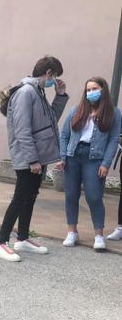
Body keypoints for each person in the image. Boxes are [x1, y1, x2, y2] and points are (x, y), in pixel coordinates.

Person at [0, 56, 69, 262]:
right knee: (20, 197)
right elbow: (22, 130)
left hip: (37, 157)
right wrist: (33, 160)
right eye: (55, 76)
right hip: (29, 157)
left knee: (30, 197)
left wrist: (60, 96)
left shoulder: (38, 91)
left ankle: (22, 238)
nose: (55, 80)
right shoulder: (26, 92)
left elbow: (51, 120)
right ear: (49, 73)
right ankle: (0, 242)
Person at [57, 77, 121, 250]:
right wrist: (62, 157)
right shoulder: (76, 110)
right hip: (73, 156)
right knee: (71, 195)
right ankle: (72, 232)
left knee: (94, 196)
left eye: (94, 89)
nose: (91, 92)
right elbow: (64, 135)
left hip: (95, 159)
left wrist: (106, 163)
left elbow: (113, 140)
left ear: (103, 90)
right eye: (88, 90)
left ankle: (99, 235)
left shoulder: (114, 113)